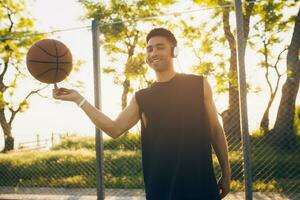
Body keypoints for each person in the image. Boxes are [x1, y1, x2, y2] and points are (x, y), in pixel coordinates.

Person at [53, 28, 231, 200]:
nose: (153, 52)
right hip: (161, 190)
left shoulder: (198, 84)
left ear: (174, 51)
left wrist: (226, 172)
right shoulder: (142, 98)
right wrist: (79, 99)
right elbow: (114, 129)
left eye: (160, 47)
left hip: (200, 187)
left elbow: (215, 129)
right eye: (149, 49)